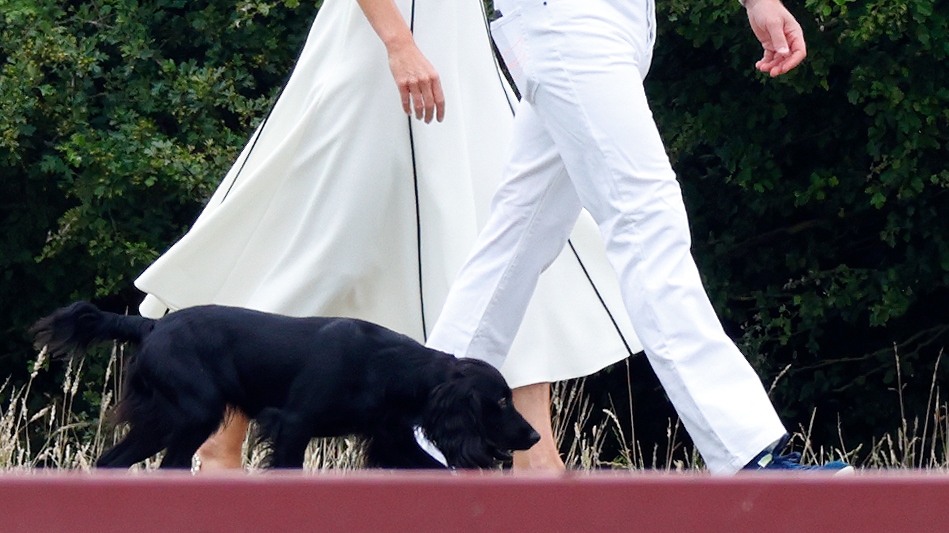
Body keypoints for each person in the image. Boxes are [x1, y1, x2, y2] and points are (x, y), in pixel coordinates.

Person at [135, 0, 642, 471]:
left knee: (497, 237)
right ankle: (221, 438)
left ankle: (540, 459)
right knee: (320, 247)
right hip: (379, 46)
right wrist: (398, 42)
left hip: (460, 50)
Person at [388, 0, 854, 474]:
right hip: (571, 24)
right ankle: (748, 457)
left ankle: (417, 437)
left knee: (517, 238)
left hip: (604, 28)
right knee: (648, 226)